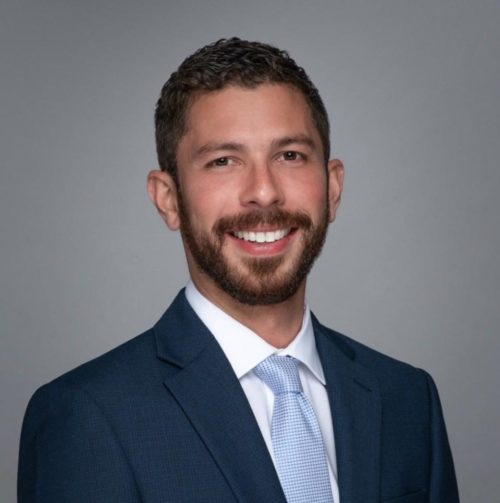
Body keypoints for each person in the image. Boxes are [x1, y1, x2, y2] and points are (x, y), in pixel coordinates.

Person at [18, 38, 459, 503]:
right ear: (169, 199)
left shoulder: (407, 398)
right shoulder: (87, 417)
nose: (263, 192)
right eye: (223, 161)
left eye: (290, 155)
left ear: (332, 188)